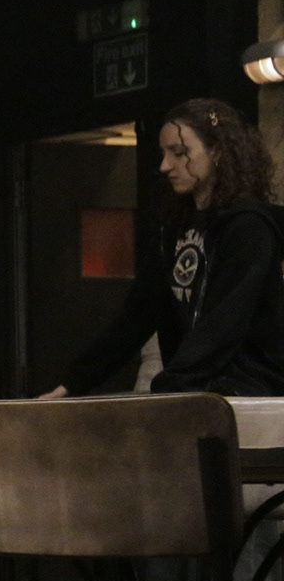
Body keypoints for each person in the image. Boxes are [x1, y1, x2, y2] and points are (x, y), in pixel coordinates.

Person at [45, 98, 284, 400]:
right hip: (195, 393)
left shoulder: (248, 227)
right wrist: (72, 384)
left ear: (217, 152)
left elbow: (224, 325)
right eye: (164, 153)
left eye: (179, 153)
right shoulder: (173, 228)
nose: (165, 166)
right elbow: (135, 318)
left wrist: (171, 388)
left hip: (246, 395)